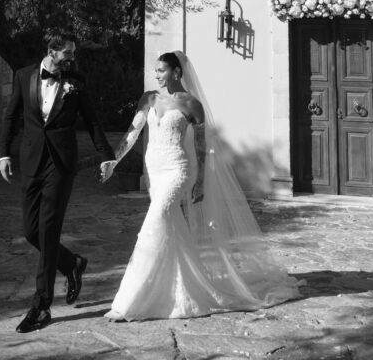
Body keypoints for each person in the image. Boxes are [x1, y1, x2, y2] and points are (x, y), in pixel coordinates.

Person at [100, 50, 300, 321]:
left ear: (177, 72)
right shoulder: (148, 98)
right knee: (171, 227)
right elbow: (132, 134)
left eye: (161, 70)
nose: (156, 74)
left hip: (178, 170)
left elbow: (202, 148)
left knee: (155, 221)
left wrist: (202, 181)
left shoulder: (191, 104)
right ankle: (179, 290)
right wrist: (114, 161)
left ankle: (131, 300)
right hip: (155, 171)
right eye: (155, 70)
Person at [0, 30, 115, 333]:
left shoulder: (75, 83)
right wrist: (3, 154)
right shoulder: (24, 76)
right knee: (30, 231)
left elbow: (92, 121)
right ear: (52, 51)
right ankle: (72, 264)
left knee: (48, 230)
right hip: (31, 161)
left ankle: (41, 305)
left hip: (61, 166)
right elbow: (11, 116)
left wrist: (106, 155)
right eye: (68, 53)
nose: (72, 58)